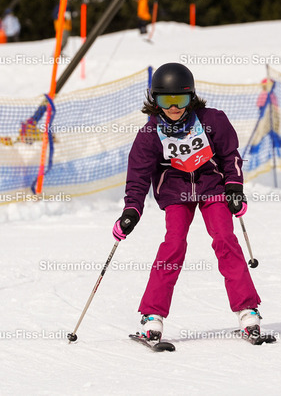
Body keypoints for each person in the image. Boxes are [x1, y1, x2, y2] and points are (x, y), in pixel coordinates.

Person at [112, 63, 264, 342]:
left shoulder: (211, 120)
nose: (173, 108)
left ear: (191, 97)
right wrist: (131, 211)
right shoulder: (150, 134)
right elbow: (137, 177)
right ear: (155, 100)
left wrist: (234, 188)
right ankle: (152, 316)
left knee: (224, 238)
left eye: (180, 100)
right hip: (175, 192)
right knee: (174, 244)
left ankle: (247, 310)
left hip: (211, 186)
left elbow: (230, 156)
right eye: (165, 101)